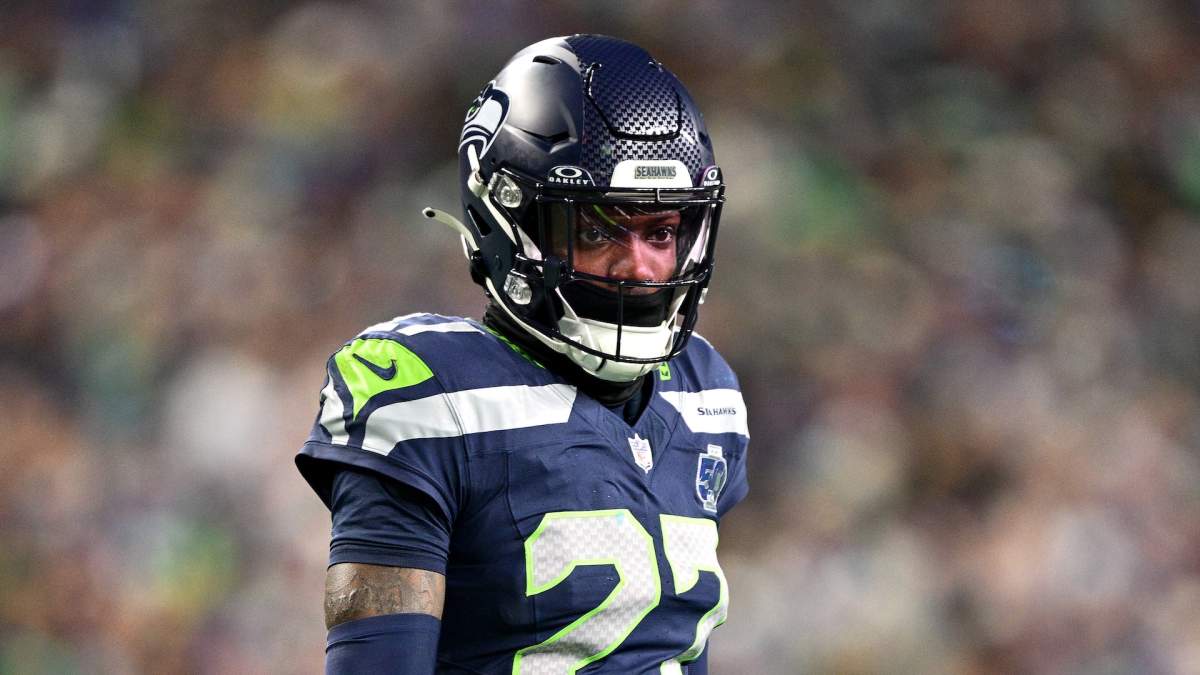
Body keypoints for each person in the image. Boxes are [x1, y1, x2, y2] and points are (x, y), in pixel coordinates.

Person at [296, 34, 749, 674]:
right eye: (595, 229)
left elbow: (675, 646)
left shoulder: (704, 390)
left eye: (662, 232)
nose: (641, 267)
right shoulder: (429, 396)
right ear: (509, 220)